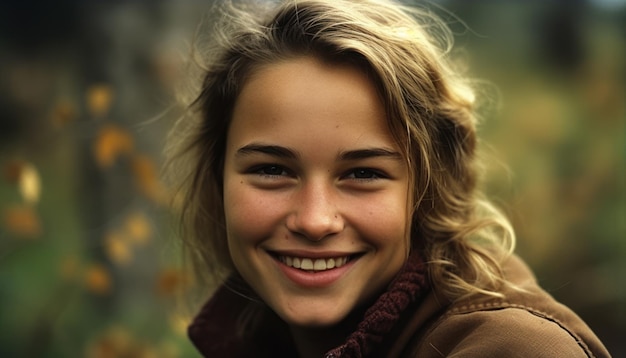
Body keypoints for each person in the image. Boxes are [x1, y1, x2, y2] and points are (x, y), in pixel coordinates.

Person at [164, 0, 610, 357]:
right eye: (272, 170)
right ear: (217, 177)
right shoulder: (258, 335)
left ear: (427, 188)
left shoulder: (512, 350)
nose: (316, 220)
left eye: (363, 173)